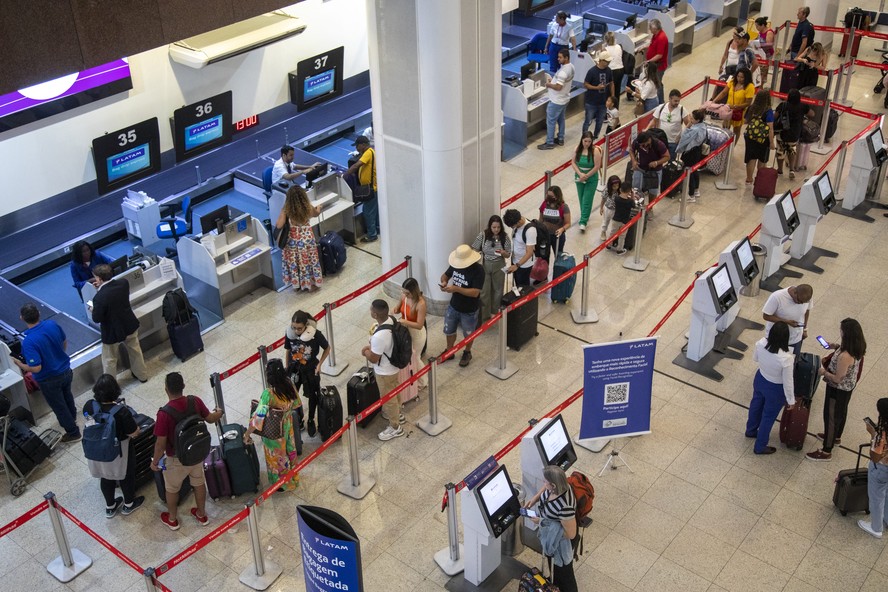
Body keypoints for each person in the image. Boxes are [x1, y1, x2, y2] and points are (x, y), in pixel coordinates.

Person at [150, 372, 223, 530]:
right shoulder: (194, 401)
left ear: (166, 389)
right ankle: (202, 515)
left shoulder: (164, 414)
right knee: (198, 482)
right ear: (183, 386)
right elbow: (210, 418)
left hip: (175, 459)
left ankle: (172, 519)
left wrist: (155, 462)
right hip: (196, 453)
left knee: (171, 489)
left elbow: (160, 444)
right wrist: (220, 412)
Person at [14, 303, 81, 443]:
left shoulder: (29, 341)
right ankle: (72, 417)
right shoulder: (52, 324)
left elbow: (36, 368)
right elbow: (64, 342)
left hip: (49, 379)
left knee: (59, 406)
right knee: (67, 395)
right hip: (66, 370)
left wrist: (20, 365)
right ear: (39, 313)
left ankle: (73, 433)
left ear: (22, 318)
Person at [83, 374, 144, 518]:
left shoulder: (89, 406)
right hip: (119, 451)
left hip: (96, 450)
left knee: (105, 476)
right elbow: (133, 432)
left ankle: (110, 506)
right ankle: (129, 504)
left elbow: (87, 419)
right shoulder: (121, 411)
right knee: (125, 476)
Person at [806, 318, 866, 462]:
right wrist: (835, 346)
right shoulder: (857, 346)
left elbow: (838, 378)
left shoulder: (845, 356)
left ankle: (827, 450)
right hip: (847, 388)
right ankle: (836, 437)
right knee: (841, 411)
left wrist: (823, 372)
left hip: (837, 389)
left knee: (831, 417)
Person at [245, 359, 300, 491]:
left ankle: (282, 484)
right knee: (289, 450)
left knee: (277, 456)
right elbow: (297, 403)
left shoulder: (268, 394)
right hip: (287, 425)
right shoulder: (289, 384)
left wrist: (247, 434)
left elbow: (258, 419)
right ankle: (293, 477)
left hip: (274, 431)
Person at [90, 264, 148, 383]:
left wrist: (93, 308)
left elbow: (97, 318)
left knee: (109, 359)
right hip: (129, 324)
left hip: (112, 332)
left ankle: (110, 386)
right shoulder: (123, 283)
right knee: (135, 350)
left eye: (96, 278)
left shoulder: (99, 298)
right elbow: (113, 297)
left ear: (100, 279)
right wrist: (100, 288)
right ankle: (142, 375)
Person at [524, 465, 578, 592]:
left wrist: (542, 522)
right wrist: (534, 499)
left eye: (545, 481)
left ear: (553, 485)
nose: (543, 483)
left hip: (561, 546)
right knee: (554, 569)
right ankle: (555, 586)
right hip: (551, 540)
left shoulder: (565, 506)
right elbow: (545, 489)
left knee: (565, 576)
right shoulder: (557, 486)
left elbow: (571, 534)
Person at [745, 322, 796, 455]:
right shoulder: (786, 358)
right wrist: (791, 400)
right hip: (776, 389)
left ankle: (750, 430)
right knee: (768, 416)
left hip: (761, 378)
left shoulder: (761, 343)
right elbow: (788, 382)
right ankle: (760, 446)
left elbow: (755, 358)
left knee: (755, 405)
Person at [362, 300, 404, 442]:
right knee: (394, 389)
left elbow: (373, 358)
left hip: (384, 370)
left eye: (371, 310)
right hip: (394, 366)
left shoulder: (379, 336)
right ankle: (398, 413)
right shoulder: (391, 320)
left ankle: (395, 427)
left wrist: (365, 351)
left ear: (375, 314)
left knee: (388, 398)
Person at [283, 310, 329, 438]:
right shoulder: (289, 334)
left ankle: (310, 420)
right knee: (293, 395)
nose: (297, 331)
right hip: (294, 369)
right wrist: (287, 367)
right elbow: (288, 350)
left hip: (310, 369)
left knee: (313, 396)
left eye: (300, 328)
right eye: (294, 328)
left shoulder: (316, 335)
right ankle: (298, 419)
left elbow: (327, 348)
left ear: (306, 326)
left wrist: (319, 365)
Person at [439, 245, 484, 368]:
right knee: (449, 330)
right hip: (454, 305)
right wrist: (444, 282)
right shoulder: (455, 265)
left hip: (469, 309)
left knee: (468, 334)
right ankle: (449, 351)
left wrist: (456, 289)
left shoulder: (479, 270)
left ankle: (467, 352)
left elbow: (475, 292)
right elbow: (445, 275)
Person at [276, 185, 322, 292]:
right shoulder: (307, 207)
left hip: (293, 242)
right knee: (309, 262)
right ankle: (311, 283)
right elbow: (316, 214)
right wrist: (319, 207)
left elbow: (279, 225)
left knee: (296, 263)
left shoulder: (286, 210)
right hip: (307, 240)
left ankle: (298, 285)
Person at [471, 216, 511, 323]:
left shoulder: (505, 237)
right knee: (484, 291)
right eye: (494, 227)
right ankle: (484, 314)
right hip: (485, 265)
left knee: (498, 290)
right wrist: (478, 255)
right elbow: (474, 248)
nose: (496, 230)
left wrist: (503, 253)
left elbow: (508, 254)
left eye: (498, 227)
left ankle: (494, 312)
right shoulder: (483, 235)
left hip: (499, 264)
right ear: (490, 226)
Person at [393, 278, 428, 398]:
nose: (405, 295)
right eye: (404, 292)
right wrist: (395, 310)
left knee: (416, 357)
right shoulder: (404, 296)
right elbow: (398, 308)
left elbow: (419, 325)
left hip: (416, 334)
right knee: (409, 357)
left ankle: (423, 381)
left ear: (414, 291)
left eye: (408, 293)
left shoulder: (421, 304)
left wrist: (404, 321)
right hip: (405, 331)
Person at [859, 397, 888, 538]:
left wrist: (872, 434)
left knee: (877, 497)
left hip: (881, 469)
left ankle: (876, 527)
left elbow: (875, 457)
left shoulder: (881, 436)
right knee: (887, 494)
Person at [343, 135, 379, 242]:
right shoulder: (369, 152)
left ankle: (372, 235)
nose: (356, 149)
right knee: (373, 211)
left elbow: (356, 166)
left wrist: (344, 175)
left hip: (371, 188)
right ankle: (376, 229)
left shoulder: (368, 152)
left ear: (363, 145)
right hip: (373, 187)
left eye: (357, 146)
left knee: (367, 212)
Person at [538, 49, 575, 150]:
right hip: (565, 99)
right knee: (561, 119)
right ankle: (560, 138)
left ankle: (549, 142)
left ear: (566, 58)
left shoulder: (563, 71)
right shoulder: (571, 67)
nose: (558, 59)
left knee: (551, 121)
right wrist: (553, 80)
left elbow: (559, 87)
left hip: (557, 100)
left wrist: (549, 84)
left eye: (560, 57)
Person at [762, 284, 813, 356]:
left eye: (803, 303)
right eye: (799, 300)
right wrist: (786, 322)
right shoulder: (777, 297)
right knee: (772, 362)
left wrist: (805, 329)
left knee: (792, 362)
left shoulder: (806, 298)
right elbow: (766, 316)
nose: (800, 303)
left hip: (795, 339)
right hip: (776, 338)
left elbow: (807, 312)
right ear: (795, 292)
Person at [712, 67, 755, 143]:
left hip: (739, 112)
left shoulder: (750, 87)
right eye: (738, 76)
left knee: (736, 130)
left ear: (746, 77)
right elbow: (724, 93)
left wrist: (735, 107)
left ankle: (732, 146)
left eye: (742, 77)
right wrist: (714, 101)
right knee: (725, 128)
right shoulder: (732, 82)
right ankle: (724, 145)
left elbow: (748, 103)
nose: (739, 79)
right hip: (728, 110)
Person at [743, 89, 775, 185]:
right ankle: (759, 179)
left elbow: (746, 121)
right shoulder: (768, 111)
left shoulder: (751, 108)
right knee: (762, 159)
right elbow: (770, 128)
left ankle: (749, 179)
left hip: (750, 136)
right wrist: (771, 142)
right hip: (763, 139)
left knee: (751, 158)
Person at [675, 108, 708, 201]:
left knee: (689, 172)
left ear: (697, 120)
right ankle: (696, 190)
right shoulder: (702, 126)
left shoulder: (695, 129)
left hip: (691, 152)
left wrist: (687, 126)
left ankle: (691, 195)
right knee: (695, 170)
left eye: (692, 119)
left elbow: (684, 137)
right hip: (697, 151)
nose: (690, 120)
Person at [571, 132, 601, 232]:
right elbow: (573, 163)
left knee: (587, 200)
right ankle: (585, 215)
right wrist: (580, 174)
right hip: (579, 178)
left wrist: (587, 175)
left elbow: (597, 166)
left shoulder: (595, 151)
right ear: (582, 140)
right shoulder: (577, 149)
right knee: (581, 198)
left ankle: (583, 221)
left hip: (591, 179)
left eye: (589, 141)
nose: (587, 143)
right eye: (585, 141)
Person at [648, 89, 690, 159]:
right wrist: (647, 129)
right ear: (670, 99)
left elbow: (688, 124)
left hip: (673, 142)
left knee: (671, 162)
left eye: (678, 101)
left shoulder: (682, 110)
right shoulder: (661, 107)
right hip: (661, 140)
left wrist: (681, 136)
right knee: (659, 158)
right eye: (675, 101)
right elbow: (654, 120)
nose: (677, 103)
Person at [629, 130, 669, 203]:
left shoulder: (659, 145)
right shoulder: (637, 142)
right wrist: (633, 161)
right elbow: (631, 150)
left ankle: (650, 208)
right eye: (640, 145)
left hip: (654, 171)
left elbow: (667, 157)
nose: (641, 146)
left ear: (649, 140)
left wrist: (657, 162)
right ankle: (638, 207)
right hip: (639, 168)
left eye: (643, 145)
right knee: (636, 189)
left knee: (653, 191)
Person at [582, 51, 613, 139]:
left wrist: (612, 96)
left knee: (600, 121)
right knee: (588, 121)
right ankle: (585, 137)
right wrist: (596, 88)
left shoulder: (609, 70)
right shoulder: (592, 71)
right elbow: (585, 84)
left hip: (603, 102)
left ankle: (595, 136)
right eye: (607, 61)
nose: (608, 63)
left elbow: (611, 83)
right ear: (601, 60)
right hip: (591, 102)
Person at [774, 89, 805, 179]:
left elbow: (775, 116)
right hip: (794, 133)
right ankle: (791, 169)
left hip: (782, 132)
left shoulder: (783, 105)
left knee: (780, 151)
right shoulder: (802, 106)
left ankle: (780, 170)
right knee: (792, 150)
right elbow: (812, 113)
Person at [503, 209, 537, 287]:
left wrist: (517, 265)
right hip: (515, 261)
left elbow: (529, 252)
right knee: (518, 285)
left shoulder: (530, 230)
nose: (512, 228)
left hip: (524, 265)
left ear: (518, 222)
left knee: (523, 288)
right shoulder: (516, 223)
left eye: (512, 226)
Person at [539, 186, 571, 259]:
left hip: (557, 237)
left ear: (557, 196)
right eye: (548, 195)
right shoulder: (544, 204)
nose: (549, 197)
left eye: (551, 196)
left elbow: (568, 223)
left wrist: (562, 229)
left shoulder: (564, 207)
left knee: (558, 257)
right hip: (545, 236)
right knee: (544, 257)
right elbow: (541, 219)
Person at [606, 182, 637, 255]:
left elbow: (618, 197)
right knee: (622, 236)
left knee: (612, 233)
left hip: (615, 219)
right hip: (625, 221)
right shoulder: (630, 201)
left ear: (620, 189)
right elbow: (634, 206)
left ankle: (609, 244)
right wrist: (632, 196)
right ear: (629, 191)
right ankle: (619, 249)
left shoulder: (616, 198)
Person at [645, 18, 669, 103]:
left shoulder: (661, 38)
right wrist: (643, 47)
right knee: (656, 82)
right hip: (654, 64)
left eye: (650, 28)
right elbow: (652, 45)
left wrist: (648, 61)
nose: (649, 30)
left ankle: (660, 102)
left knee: (657, 84)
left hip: (659, 66)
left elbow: (659, 55)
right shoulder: (655, 35)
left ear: (655, 28)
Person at [603, 32, 624, 107]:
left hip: (611, 71)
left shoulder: (605, 49)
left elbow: (603, 61)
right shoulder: (618, 46)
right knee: (617, 91)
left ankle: (608, 111)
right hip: (620, 70)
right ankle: (616, 109)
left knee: (609, 93)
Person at [752, 17, 776, 84]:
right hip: (760, 53)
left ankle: (761, 85)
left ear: (762, 25)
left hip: (767, 54)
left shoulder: (769, 32)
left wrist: (760, 45)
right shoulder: (760, 31)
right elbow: (758, 38)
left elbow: (770, 44)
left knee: (763, 71)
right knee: (758, 69)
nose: (756, 28)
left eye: (757, 26)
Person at [599, 175, 622, 241]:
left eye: (617, 186)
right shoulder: (607, 190)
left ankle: (614, 235)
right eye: (614, 186)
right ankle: (603, 232)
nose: (616, 187)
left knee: (615, 223)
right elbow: (603, 199)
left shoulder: (620, 190)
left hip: (617, 210)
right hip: (608, 209)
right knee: (605, 221)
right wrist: (601, 208)